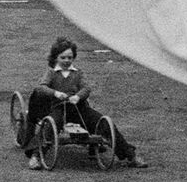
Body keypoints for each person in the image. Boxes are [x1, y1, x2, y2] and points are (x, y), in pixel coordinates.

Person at [21, 36, 145, 169]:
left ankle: (130, 155)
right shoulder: (51, 73)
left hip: (79, 109)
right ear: (56, 57)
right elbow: (41, 88)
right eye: (63, 58)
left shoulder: (78, 73)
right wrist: (56, 93)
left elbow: (86, 88)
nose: (67, 61)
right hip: (59, 108)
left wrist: (78, 97)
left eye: (70, 58)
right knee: (50, 126)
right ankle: (36, 157)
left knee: (103, 123)